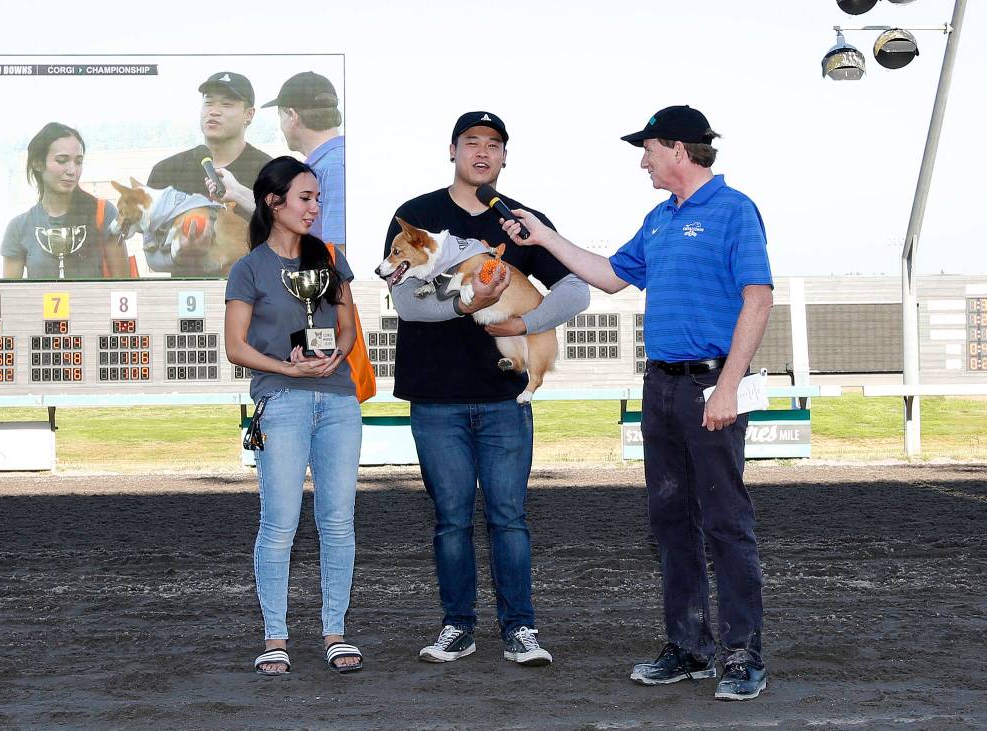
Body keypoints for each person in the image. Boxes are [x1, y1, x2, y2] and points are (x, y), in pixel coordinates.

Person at [500, 105, 773, 700]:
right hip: (661, 387)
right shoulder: (658, 218)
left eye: (647, 150)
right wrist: (544, 237)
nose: (642, 162)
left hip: (710, 384)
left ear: (679, 149)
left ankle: (741, 654)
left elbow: (758, 298)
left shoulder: (734, 210)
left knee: (726, 522)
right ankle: (689, 646)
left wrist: (728, 384)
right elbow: (608, 275)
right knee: (671, 520)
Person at [383, 111, 589, 667]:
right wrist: (464, 304)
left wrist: (526, 323)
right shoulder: (416, 218)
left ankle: (520, 629)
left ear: (504, 157)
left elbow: (577, 290)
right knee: (450, 518)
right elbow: (404, 304)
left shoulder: (524, 221)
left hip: (503, 400)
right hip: (436, 395)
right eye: (471, 142)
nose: (482, 152)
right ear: (451, 150)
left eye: (493, 145)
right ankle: (458, 627)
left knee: (509, 517)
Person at [225, 156, 363, 675]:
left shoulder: (329, 259)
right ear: (273, 201)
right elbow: (236, 347)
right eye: (304, 198)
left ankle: (335, 632)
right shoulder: (250, 268)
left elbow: (348, 325)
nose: (314, 207)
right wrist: (288, 368)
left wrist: (335, 356)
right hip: (280, 401)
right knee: (279, 524)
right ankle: (275, 638)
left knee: (338, 523)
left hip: (339, 400)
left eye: (317, 199)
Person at [147, 71, 271, 274]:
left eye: (227, 104)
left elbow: (286, 242)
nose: (214, 111)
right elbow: (151, 257)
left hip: (254, 295)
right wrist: (181, 252)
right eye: (209, 103)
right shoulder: (166, 171)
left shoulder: (270, 172)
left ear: (249, 115)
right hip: (187, 299)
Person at [211, 71, 345, 250]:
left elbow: (340, 255)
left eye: (280, 116)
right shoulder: (323, 165)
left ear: (292, 116)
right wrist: (235, 190)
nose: (280, 126)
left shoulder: (335, 168)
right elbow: (285, 216)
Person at [1, 122, 129, 279]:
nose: (72, 171)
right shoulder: (19, 228)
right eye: (62, 160)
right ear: (38, 163)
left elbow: (124, 286)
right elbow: (12, 296)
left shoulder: (104, 213)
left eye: (78, 162)